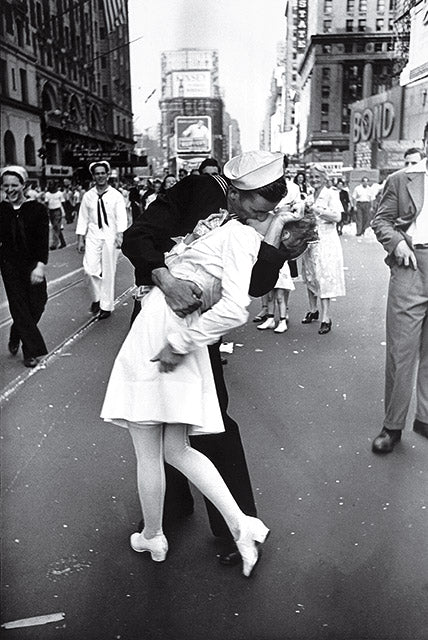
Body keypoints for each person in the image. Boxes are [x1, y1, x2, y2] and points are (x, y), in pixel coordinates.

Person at [102, 154, 315, 576]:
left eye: (268, 211)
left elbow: (252, 287)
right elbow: (137, 237)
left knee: (208, 422)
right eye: (256, 207)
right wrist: (167, 279)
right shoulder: (198, 190)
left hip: (195, 328)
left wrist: (276, 250)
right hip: (163, 309)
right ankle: (169, 511)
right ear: (234, 189)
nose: (260, 215)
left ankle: (228, 526)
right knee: (166, 434)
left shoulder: (259, 223)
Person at [371, 122, 428, 453]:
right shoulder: (402, 179)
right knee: (401, 352)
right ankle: (392, 427)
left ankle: (425, 418)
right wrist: (396, 243)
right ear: (425, 142)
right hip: (411, 266)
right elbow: (381, 220)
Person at [0, 166, 49, 367]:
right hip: (8, 265)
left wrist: (39, 266)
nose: (10, 189)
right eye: (6, 186)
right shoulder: (1, 210)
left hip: (32, 264)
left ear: (24, 186)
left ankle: (16, 331)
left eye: (14, 185)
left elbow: (42, 240)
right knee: (19, 305)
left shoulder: (37, 209)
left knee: (38, 303)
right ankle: (30, 352)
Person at [76, 161, 128, 319]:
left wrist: (120, 235)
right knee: (89, 270)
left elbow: (121, 217)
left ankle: (106, 306)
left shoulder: (116, 195)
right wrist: (80, 239)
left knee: (108, 271)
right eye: (97, 173)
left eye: (102, 173)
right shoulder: (88, 196)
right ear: (93, 176)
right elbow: (83, 218)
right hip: (93, 235)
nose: (100, 176)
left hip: (110, 236)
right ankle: (96, 298)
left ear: (107, 174)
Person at [301, 164, 346, 334]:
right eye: (311, 177)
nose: (314, 180)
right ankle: (313, 309)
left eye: (317, 177)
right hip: (310, 240)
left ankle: (326, 317)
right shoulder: (310, 195)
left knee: (324, 276)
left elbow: (337, 216)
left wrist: (316, 210)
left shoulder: (331, 194)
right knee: (310, 275)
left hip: (326, 240)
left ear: (325, 178)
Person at [44, 181, 66, 249]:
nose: (51, 187)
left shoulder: (59, 193)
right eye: (50, 185)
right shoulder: (47, 194)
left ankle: (54, 244)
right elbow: (46, 203)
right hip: (51, 211)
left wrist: (65, 211)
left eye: (52, 185)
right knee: (55, 227)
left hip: (57, 211)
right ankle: (63, 242)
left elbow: (63, 202)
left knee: (56, 226)